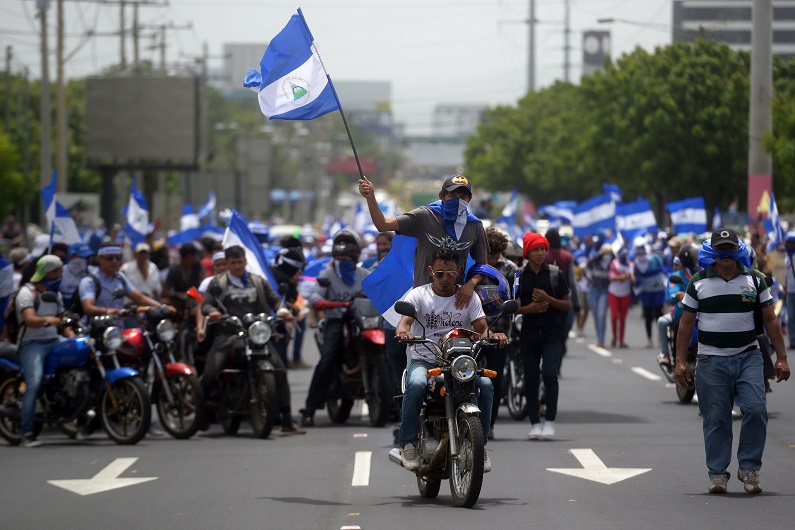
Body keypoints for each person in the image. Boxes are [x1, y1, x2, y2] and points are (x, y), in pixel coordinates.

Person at [675, 228, 790, 494]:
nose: (725, 255)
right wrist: (680, 361)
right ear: (713, 252)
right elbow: (686, 323)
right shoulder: (698, 282)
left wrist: (782, 358)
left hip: (748, 356)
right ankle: (718, 474)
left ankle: (749, 468)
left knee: (756, 409)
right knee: (716, 418)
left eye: (730, 249)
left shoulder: (755, 280)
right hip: (710, 360)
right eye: (721, 249)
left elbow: (770, 319)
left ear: (737, 251)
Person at [395, 248, 508, 472]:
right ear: (430, 272)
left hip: (461, 363)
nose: (445, 279)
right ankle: (407, 443)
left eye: (450, 273)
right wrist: (403, 331)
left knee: (485, 385)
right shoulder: (418, 295)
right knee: (416, 384)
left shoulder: (468, 297)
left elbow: (482, 329)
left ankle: (480, 446)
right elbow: (404, 322)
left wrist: (493, 336)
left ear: (458, 272)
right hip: (425, 361)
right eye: (439, 274)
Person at [200, 245, 304, 434]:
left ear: (245, 261)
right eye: (233, 263)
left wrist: (283, 311)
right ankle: (201, 414)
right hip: (228, 334)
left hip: (257, 333)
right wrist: (213, 312)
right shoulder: (217, 283)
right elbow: (206, 305)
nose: (237, 266)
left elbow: (274, 300)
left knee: (279, 369)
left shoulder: (258, 281)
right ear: (228, 263)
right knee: (211, 372)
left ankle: (287, 421)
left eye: (240, 262)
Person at [358, 173, 489, 308]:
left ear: (470, 199)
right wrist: (371, 198)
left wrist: (470, 285)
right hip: (423, 302)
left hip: (457, 303)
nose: (458, 201)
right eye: (452, 196)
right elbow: (383, 225)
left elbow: (482, 265)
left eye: (463, 197)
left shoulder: (475, 225)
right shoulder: (425, 216)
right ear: (441, 196)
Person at [300, 229, 370, 427]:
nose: (343, 261)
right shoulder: (327, 274)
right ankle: (310, 409)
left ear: (356, 256)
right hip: (337, 322)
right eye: (339, 258)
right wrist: (327, 304)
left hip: (362, 322)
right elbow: (314, 297)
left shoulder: (364, 275)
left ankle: (393, 407)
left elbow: (379, 295)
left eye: (347, 257)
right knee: (327, 360)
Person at [14, 256, 75, 447]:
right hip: (32, 343)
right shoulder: (26, 293)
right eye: (58, 272)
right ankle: (27, 433)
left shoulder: (54, 294)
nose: (61, 276)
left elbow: (62, 321)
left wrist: (73, 337)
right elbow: (30, 319)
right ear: (49, 273)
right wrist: (49, 320)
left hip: (54, 340)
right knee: (35, 382)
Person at [516, 233, 571, 440]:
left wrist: (548, 299)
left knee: (549, 374)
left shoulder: (556, 274)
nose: (540, 254)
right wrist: (529, 308)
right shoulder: (519, 276)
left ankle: (549, 421)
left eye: (542, 249)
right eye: (535, 250)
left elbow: (567, 304)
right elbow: (513, 308)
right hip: (528, 333)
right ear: (527, 252)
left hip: (552, 333)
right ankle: (534, 423)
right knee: (530, 378)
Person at [481, 226, 517, 440]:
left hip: (501, 335)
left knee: (495, 381)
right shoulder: (474, 268)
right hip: (474, 334)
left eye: (495, 256)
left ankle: (489, 424)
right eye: (489, 255)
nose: (492, 261)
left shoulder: (510, 269)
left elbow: (515, 300)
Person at [78, 242, 168, 318]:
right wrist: (109, 311)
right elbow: (88, 308)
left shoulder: (120, 277)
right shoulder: (89, 281)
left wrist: (162, 307)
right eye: (110, 258)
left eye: (118, 258)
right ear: (99, 259)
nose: (114, 261)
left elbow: (139, 298)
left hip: (119, 329)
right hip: (98, 331)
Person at [633, 242, 667, 348]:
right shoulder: (636, 262)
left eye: (641, 251)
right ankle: (649, 339)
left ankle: (660, 337)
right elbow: (636, 275)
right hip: (646, 290)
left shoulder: (654, 259)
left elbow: (662, 268)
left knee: (658, 314)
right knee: (648, 315)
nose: (640, 254)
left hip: (658, 289)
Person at [586, 244, 612, 348]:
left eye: (609, 253)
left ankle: (601, 340)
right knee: (596, 315)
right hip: (594, 289)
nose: (607, 256)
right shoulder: (595, 261)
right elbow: (586, 266)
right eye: (605, 253)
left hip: (604, 291)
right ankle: (598, 338)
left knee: (602, 315)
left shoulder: (612, 263)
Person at [608, 247, 634, 348]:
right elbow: (611, 277)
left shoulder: (631, 265)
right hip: (613, 293)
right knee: (614, 316)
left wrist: (631, 277)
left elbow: (634, 279)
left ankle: (621, 340)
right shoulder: (615, 263)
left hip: (625, 294)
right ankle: (614, 336)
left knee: (622, 318)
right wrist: (623, 276)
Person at [783, 231, 795, 349]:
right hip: (791, 292)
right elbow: (787, 275)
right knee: (791, 317)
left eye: (791, 243)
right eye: (787, 243)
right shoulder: (787, 258)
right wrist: (785, 287)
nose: (788, 245)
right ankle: (793, 341)